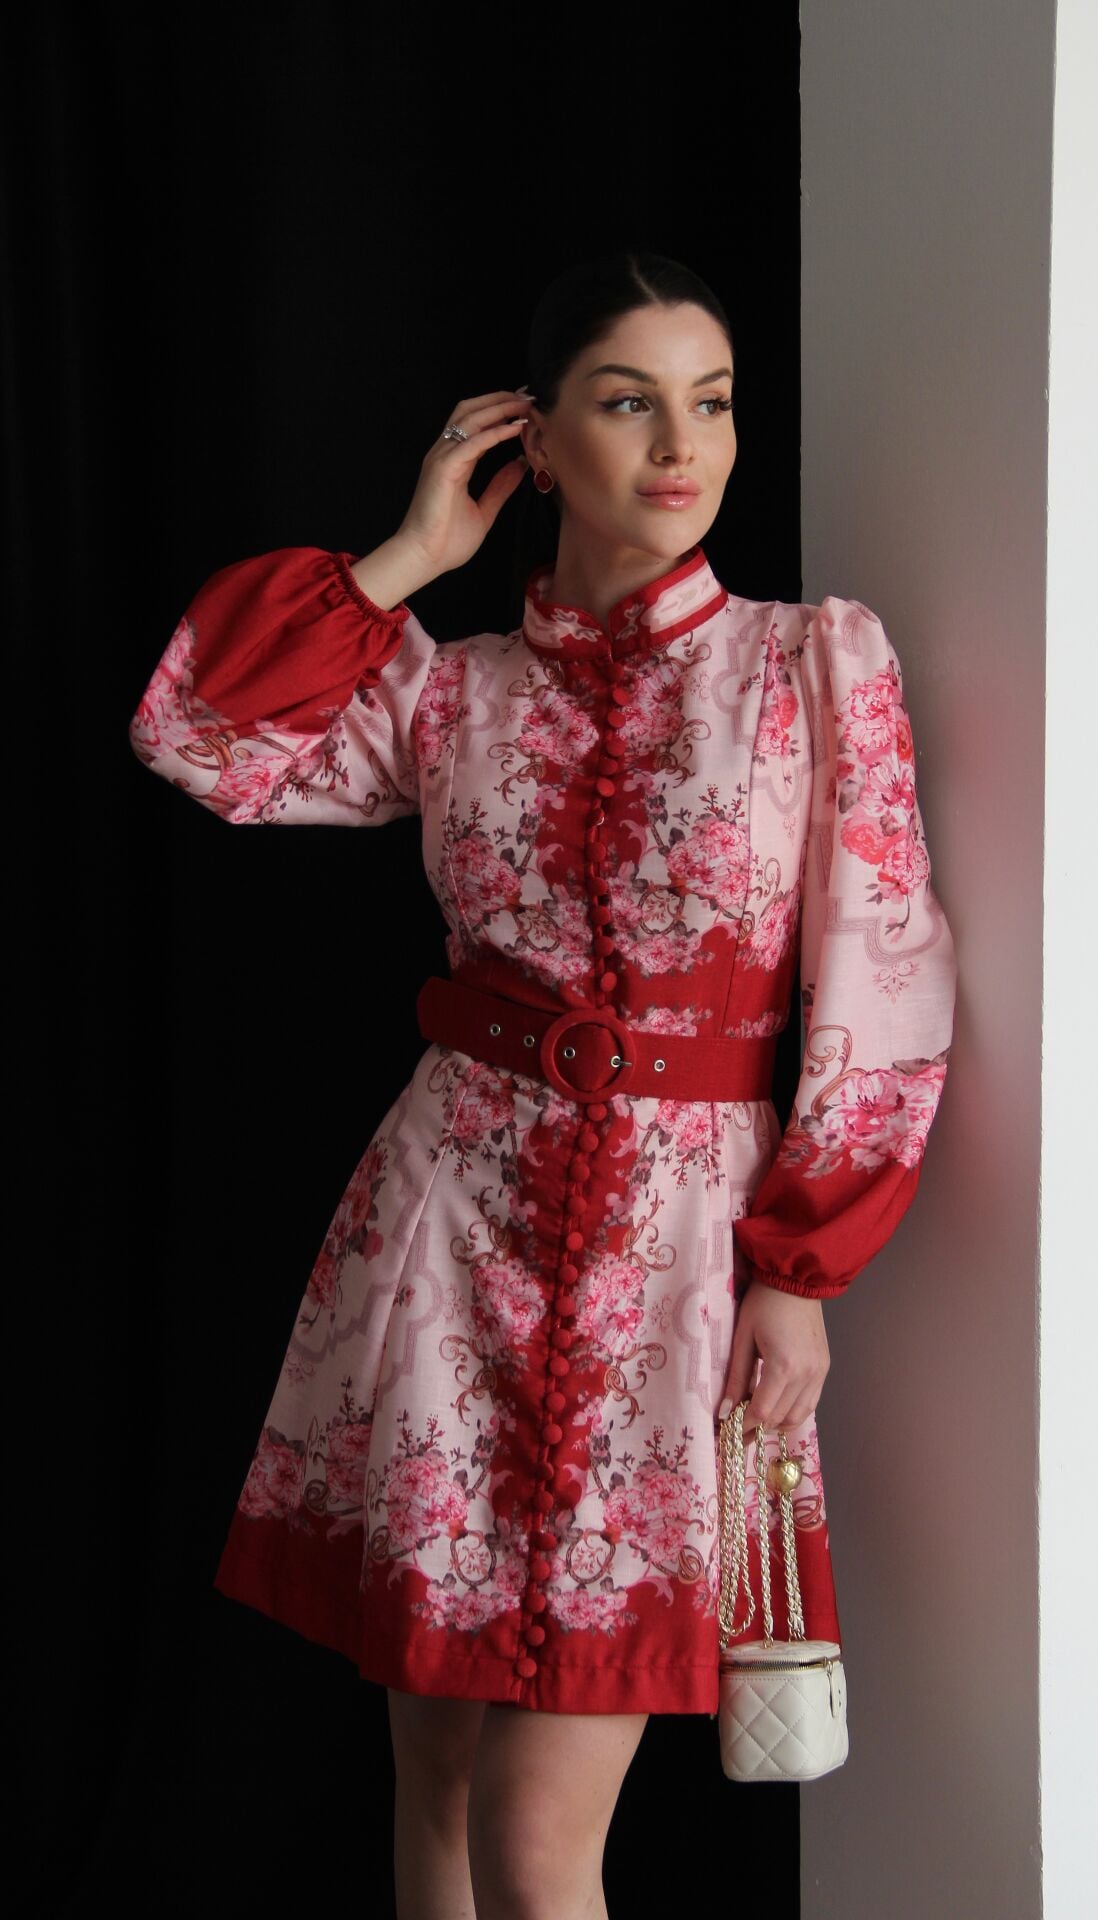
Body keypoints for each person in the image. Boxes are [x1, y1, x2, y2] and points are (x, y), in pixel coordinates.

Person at [126, 248, 958, 1920]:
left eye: (713, 402)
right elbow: (198, 736)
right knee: (432, 1777)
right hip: (448, 1232)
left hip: (677, 1256)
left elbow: (889, 969)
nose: (683, 444)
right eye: (628, 402)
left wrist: (801, 1271)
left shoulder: (810, 663)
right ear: (535, 439)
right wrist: (410, 560)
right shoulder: (448, 692)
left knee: (532, 1834)